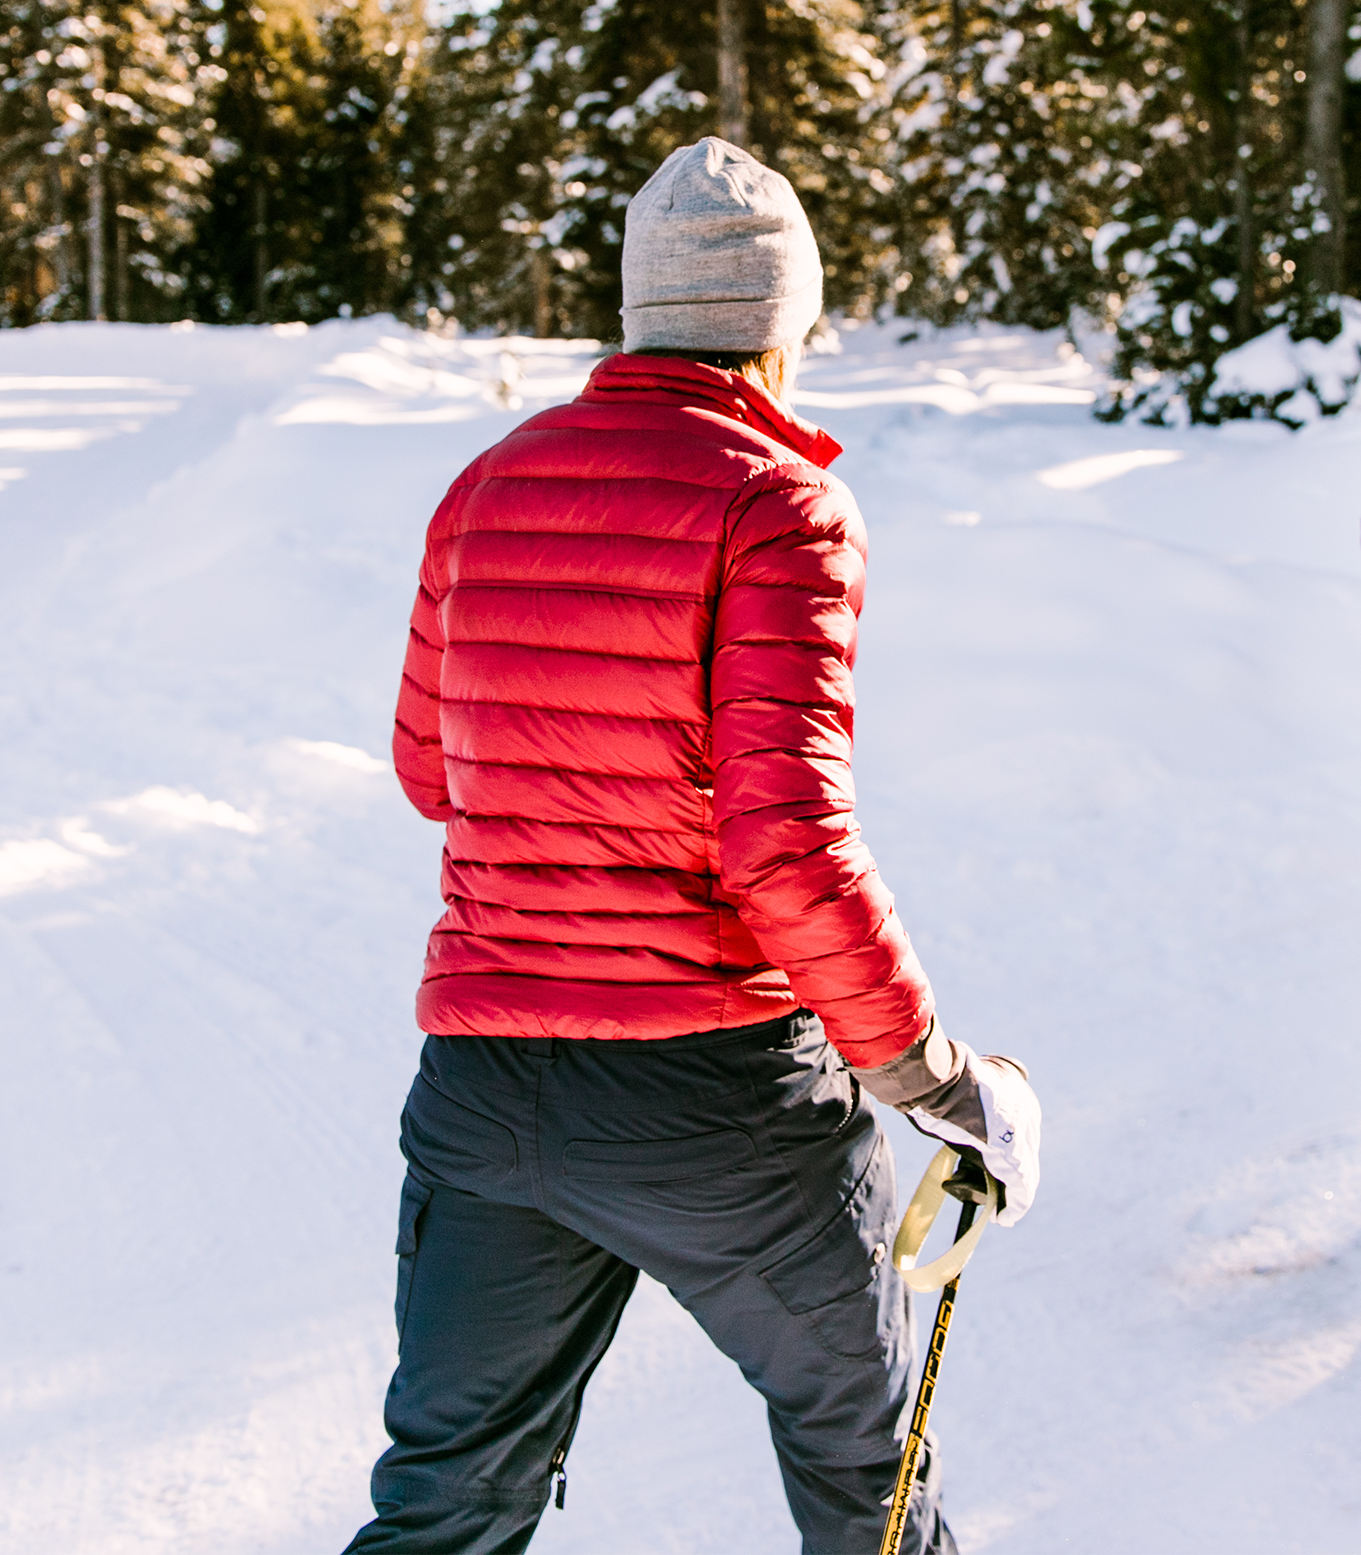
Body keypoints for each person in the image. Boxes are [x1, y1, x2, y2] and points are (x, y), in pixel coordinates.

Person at [343, 138, 1042, 1554]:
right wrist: (927, 1074)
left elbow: (432, 770)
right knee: (868, 1471)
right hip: (717, 1104)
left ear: (639, 312)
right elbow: (781, 834)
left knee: (441, 1506)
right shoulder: (781, 503)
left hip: (486, 1096)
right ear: (783, 323)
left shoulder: (484, 488)